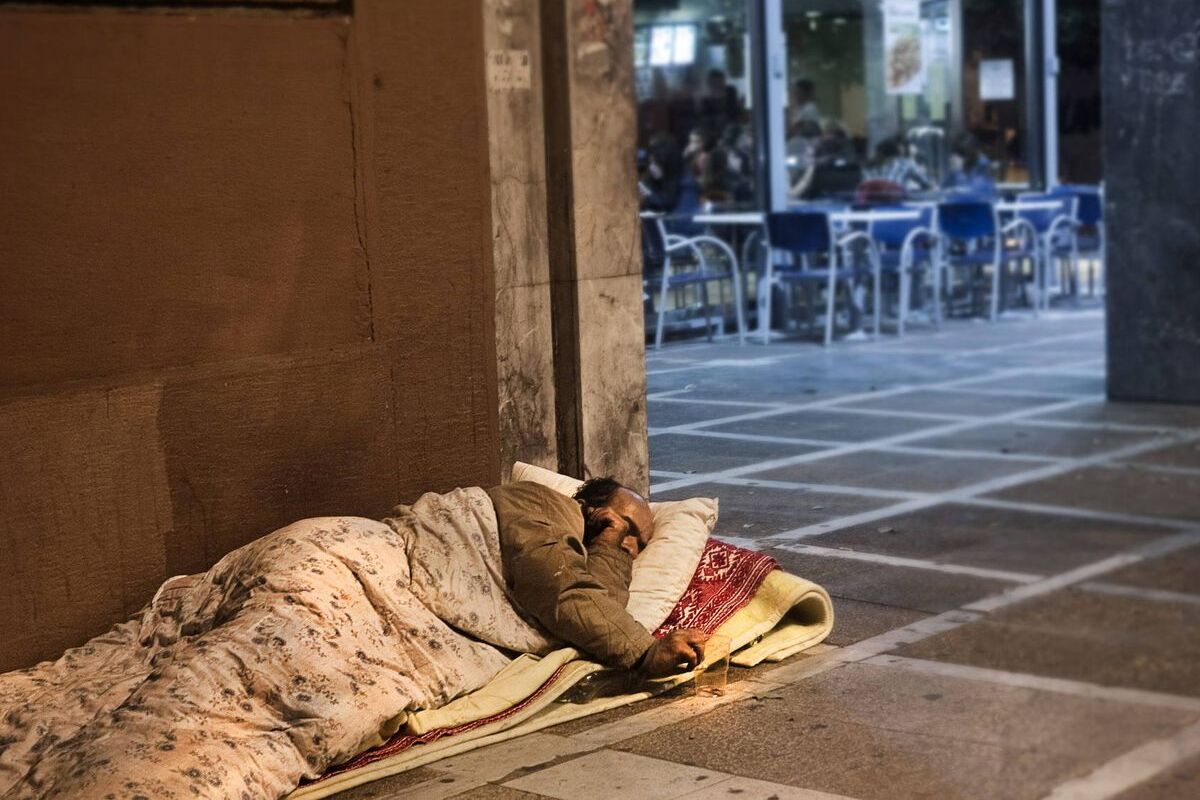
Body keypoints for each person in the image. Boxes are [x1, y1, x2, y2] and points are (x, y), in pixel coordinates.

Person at [488, 478, 708, 677]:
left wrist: (608, 547)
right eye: (626, 526)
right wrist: (646, 652)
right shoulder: (537, 501)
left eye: (640, 544)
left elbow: (595, 611)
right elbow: (561, 589)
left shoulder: (589, 554)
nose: (631, 546)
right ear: (589, 508)